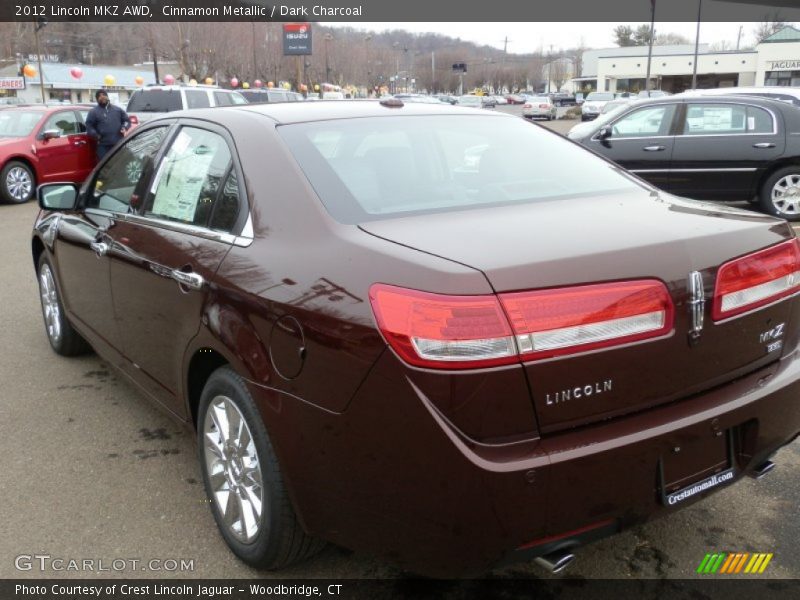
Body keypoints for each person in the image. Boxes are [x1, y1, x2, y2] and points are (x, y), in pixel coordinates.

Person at [85, 89, 131, 161]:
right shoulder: (93, 112)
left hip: (118, 144)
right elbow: (89, 126)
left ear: (107, 96)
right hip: (103, 146)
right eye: (99, 96)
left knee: (120, 164)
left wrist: (124, 127)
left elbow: (127, 121)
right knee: (105, 168)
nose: (102, 97)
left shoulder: (118, 110)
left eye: (103, 95)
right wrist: (95, 135)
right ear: (97, 99)